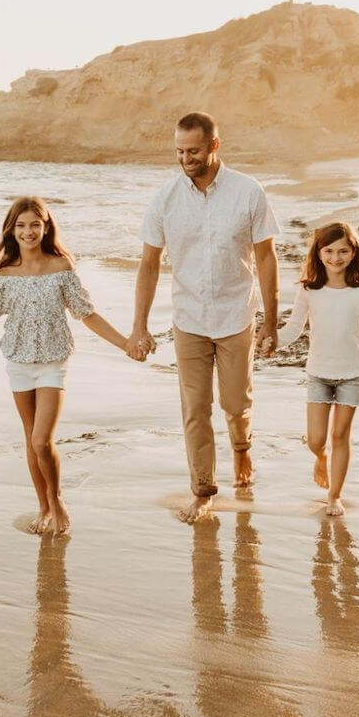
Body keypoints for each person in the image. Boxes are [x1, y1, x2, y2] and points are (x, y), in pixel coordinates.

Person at [0, 196, 130, 536]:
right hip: (18, 362)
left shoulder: (61, 268)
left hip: (52, 362)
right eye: (21, 225)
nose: (28, 232)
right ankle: (42, 507)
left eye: (34, 224)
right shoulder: (5, 275)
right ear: (11, 231)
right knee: (31, 440)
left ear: (46, 228)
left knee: (43, 440)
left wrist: (126, 343)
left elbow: (88, 314)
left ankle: (57, 500)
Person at [126, 112, 280, 524]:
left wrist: (270, 319)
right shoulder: (165, 198)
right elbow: (148, 264)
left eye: (193, 150)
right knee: (195, 408)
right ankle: (203, 490)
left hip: (237, 315)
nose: (185, 158)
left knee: (234, 402)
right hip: (189, 318)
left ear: (214, 146)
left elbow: (266, 257)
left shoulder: (248, 192)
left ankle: (242, 447)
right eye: (178, 150)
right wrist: (139, 325)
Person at [263, 222, 359, 516]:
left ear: (354, 252)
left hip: (352, 375)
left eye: (343, 251)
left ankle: (335, 496)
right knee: (316, 439)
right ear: (319, 253)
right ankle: (320, 457)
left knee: (340, 436)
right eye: (329, 251)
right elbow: (294, 328)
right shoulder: (309, 289)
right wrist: (272, 341)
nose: (336, 258)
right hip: (318, 373)